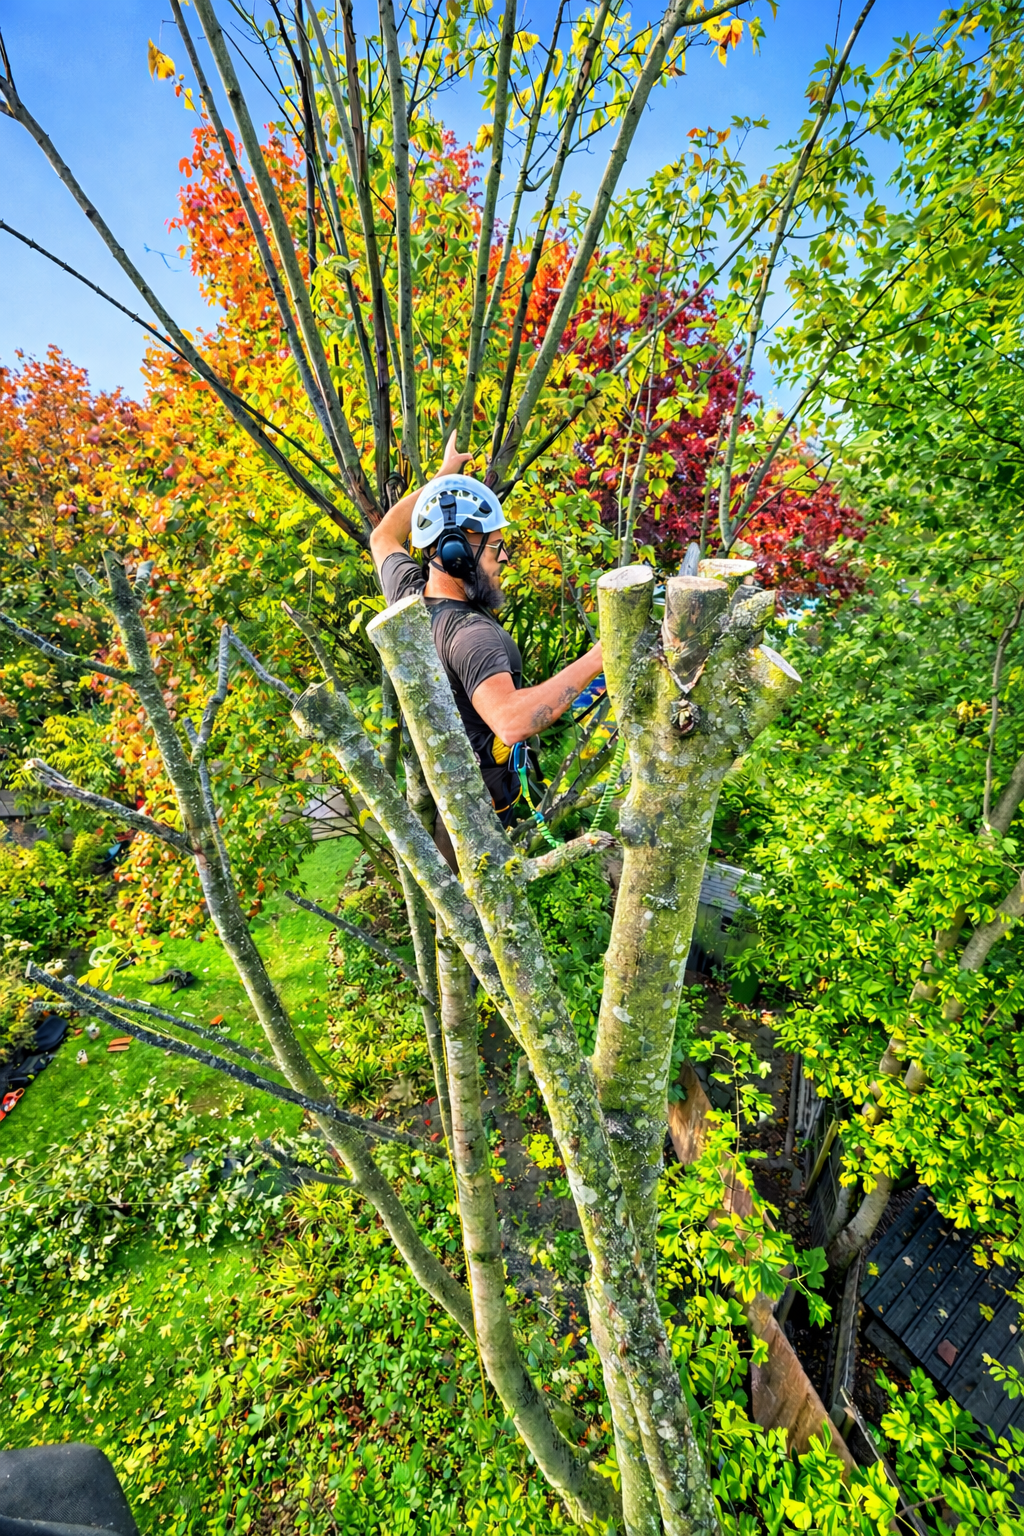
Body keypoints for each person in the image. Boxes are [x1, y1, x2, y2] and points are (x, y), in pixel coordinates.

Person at [369, 433, 603, 856]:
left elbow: (383, 536)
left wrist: (442, 481)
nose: (505, 558)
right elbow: (512, 721)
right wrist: (600, 656)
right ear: (456, 554)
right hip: (480, 823)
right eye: (496, 547)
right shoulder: (472, 636)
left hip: (445, 802)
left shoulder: (409, 598)